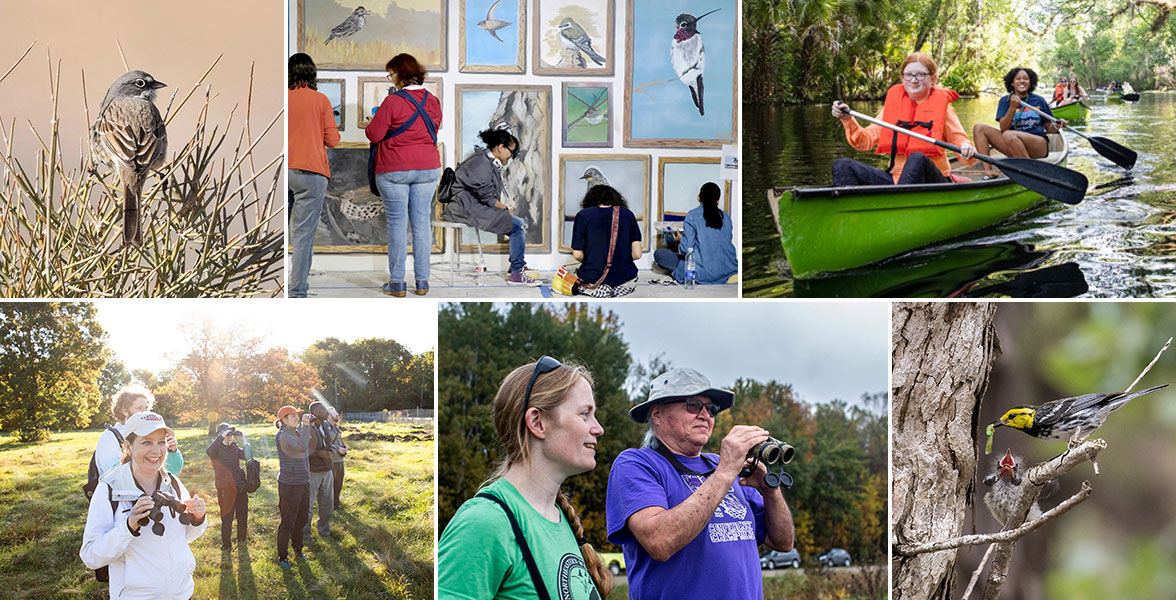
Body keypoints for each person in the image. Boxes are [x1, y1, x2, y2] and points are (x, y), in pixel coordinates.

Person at [605, 368, 795, 600]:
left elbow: (783, 542)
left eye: (711, 409)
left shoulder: (724, 466)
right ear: (657, 413)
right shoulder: (637, 463)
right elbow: (659, 542)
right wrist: (725, 473)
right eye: (693, 405)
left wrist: (769, 490)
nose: (705, 415)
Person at [438, 357, 613, 599]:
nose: (598, 428)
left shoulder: (560, 518)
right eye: (585, 414)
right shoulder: (485, 523)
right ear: (537, 422)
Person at [80, 412, 207, 599]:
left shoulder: (173, 483)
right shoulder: (109, 490)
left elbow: (185, 537)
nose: (156, 450)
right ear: (128, 446)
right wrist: (128, 527)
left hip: (181, 593)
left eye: (161, 442)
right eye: (146, 442)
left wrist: (198, 519)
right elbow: (91, 556)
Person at [829, 52, 976, 186]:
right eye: (909, 75)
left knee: (916, 158)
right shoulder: (892, 110)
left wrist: (966, 147)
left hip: (933, 181)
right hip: (895, 181)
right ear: (902, 77)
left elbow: (960, 141)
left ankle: (897, 204)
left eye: (920, 75)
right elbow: (863, 142)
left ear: (933, 78)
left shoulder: (944, 110)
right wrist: (848, 119)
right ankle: (855, 211)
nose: (913, 80)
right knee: (842, 165)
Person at [366, 53, 443, 297]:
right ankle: (422, 282)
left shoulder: (392, 102)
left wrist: (373, 120)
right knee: (421, 224)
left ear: (399, 73)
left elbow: (374, 135)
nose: (390, 79)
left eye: (391, 74)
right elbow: (431, 129)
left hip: (394, 169)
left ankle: (398, 284)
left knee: (397, 225)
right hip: (428, 168)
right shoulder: (433, 101)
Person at [442, 126, 541, 286]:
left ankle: (517, 266)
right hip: (466, 208)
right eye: (511, 152)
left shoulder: (484, 161)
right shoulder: (481, 163)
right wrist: (507, 210)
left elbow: (486, 196)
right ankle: (517, 273)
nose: (511, 157)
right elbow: (488, 198)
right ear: (501, 147)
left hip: (471, 205)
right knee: (517, 226)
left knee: (516, 223)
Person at [287, 53, 341, 298]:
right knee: (303, 237)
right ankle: (297, 291)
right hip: (311, 173)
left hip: (283, 170)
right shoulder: (320, 100)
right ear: (312, 74)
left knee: (276, 233)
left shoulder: (283, 98)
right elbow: (333, 140)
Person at [972, 67, 1066, 172]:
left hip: (1037, 145)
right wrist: (1012, 107)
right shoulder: (1005, 101)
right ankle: (989, 173)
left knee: (1009, 134)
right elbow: (1003, 128)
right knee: (979, 128)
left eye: (1025, 79)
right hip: (1012, 144)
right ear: (1012, 83)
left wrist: (1057, 125)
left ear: (1030, 82)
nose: (1022, 81)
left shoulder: (1039, 100)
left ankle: (1030, 171)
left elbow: (1049, 127)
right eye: (1018, 79)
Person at [653, 182, 738, 285]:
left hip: (701, 274)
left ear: (699, 198)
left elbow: (686, 249)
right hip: (729, 270)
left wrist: (680, 239)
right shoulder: (726, 217)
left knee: (660, 254)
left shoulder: (692, 216)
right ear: (718, 200)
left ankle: (683, 274)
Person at [93, 385, 183, 479]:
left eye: (146, 408)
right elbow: (113, 472)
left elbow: (174, 471)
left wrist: (172, 452)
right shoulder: (108, 437)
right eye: (139, 408)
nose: (145, 412)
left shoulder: (152, 433)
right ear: (124, 410)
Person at [570, 184, 642, 298]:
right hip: (625, 277)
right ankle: (618, 288)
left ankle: (599, 288)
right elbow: (637, 254)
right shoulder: (628, 214)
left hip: (594, 277)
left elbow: (577, 254)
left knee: (572, 275)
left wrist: (594, 259)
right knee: (626, 280)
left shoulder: (583, 215)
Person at [275, 405, 313, 568]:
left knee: (301, 519)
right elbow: (301, 448)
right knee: (288, 522)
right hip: (289, 485)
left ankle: (298, 550)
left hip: (303, 482)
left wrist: (305, 429)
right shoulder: (282, 435)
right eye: (292, 416)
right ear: (283, 420)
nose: (297, 418)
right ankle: (283, 557)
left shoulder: (296, 432)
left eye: (297, 415)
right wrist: (306, 428)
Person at [206, 423, 249, 551]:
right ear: (221, 435)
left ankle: (242, 539)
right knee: (227, 517)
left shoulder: (235, 447)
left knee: (242, 514)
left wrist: (244, 440)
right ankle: (226, 544)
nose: (229, 437)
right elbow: (209, 451)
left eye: (231, 434)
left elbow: (248, 456)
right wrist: (221, 436)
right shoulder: (216, 450)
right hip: (225, 489)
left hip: (240, 487)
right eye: (227, 434)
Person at [304, 401, 337, 539]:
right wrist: (318, 454)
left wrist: (330, 451)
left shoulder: (325, 425)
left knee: (327, 504)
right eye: (324, 410)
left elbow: (328, 443)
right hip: (313, 471)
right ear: (316, 412)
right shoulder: (305, 428)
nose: (327, 412)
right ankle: (305, 534)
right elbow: (303, 448)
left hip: (327, 469)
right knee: (308, 505)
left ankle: (324, 532)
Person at [328, 410, 348, 509]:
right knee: (330, 484)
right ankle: (329, 505)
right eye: (334, 413)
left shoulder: (336, 428)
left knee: (339, 483)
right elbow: (326, 443)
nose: (337, 414)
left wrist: (344, 448)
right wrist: (337, 449)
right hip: (332, 460)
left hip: (340, 460)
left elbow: (339, 441)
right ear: (328, 415)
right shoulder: (325, 428)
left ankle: (336, 503)